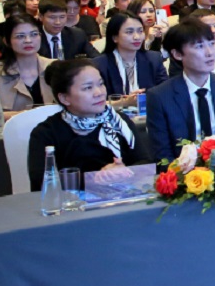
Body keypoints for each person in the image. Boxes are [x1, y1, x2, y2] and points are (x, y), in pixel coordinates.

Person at [28, 59, 149, 190]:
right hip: (72, 200)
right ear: (64, 98)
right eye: (88, 88)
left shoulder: (119, 121)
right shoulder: (46, 133)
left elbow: (146, 163)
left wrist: (123, 171)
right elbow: (42, 182)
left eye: (101, 84)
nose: (99, 93)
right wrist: (96, 178)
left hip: (124, 194)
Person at [147, 20, 215, 162]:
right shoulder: (160, 96)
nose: (210, 53)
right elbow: (162, 156)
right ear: (177, 54)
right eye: (199, 46)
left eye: (212, 44)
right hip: (183, 171)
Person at [0, 14, 54, 120]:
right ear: (7, 41)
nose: (28, 40)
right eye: (20, 36)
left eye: (34, 34)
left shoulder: (55, 67)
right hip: (11, 129)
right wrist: (20, 115)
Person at [92, 11, 168, 106]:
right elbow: (92, 103)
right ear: (115, 37)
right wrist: (124, 102)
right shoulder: (99, 65)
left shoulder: (153, 59)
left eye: (140, 31)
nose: (137, 37)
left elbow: (167, 92)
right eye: (129, 32)